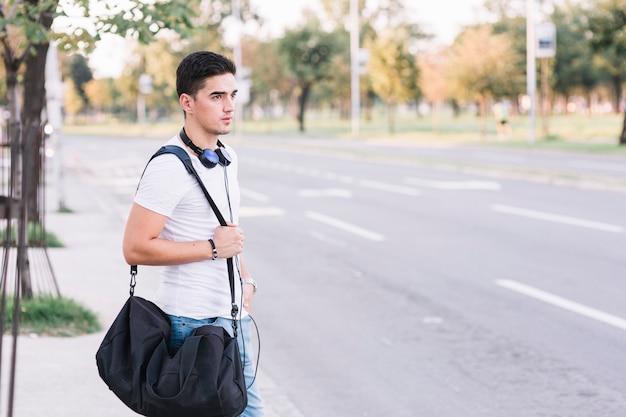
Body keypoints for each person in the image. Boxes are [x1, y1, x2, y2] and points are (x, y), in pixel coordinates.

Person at [122, 51, 264, 417]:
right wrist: (213, 249)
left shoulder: (227, 157)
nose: (229, 106)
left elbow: (226, 233)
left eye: (232, 95)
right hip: (191, 323)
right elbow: (135, 248)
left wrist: (246, 278)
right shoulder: (169, 167)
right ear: (187, 102)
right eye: (216, 97)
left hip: (233, 318)